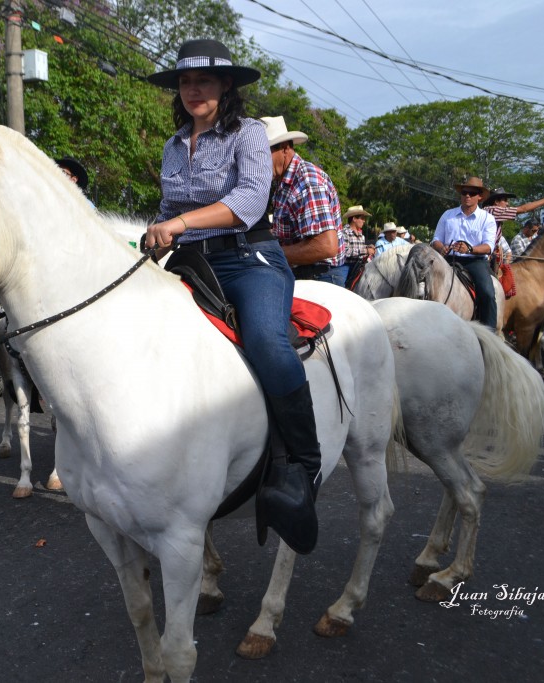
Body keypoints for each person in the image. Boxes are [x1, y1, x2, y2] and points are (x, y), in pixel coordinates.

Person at [144, 39, 321, 552]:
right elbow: (166, 204)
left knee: (267, 341)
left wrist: (176, 223)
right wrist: (157, 230)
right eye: (184, 82)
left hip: (248, 258)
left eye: (204, 81)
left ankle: (302, 464)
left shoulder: (249, 134)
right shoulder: (174, 144)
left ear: (226, 86)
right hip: (189, 261)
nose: (193, 89)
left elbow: (247, 201)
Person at [261, 116, 346, 287]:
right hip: (304, 274)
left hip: (319, 278)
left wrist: (270, 254)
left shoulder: (306, 180)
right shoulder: (283, 184)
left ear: (285, 148)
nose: (257, 161)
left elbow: (326, 246)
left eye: (263, 153)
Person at [430, 176, 498, 329]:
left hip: (475, 261)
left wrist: (470, 249)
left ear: (479, 197)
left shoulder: (487, 218)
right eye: (465, 192)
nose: (467, 196)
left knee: (487, 292)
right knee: (422, 282)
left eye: (472, 193)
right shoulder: (448, 215)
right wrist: (441, 247)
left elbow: (488, 246)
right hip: (448, 258)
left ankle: (490, 332)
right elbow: (436, 239)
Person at [482, 187, 544, 273]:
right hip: (482, 257)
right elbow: (523, 209)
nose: (507, 204)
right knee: (489, 285)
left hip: (485, 256)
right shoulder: (493, 211)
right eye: (505, 200)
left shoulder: (488, 211)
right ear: (496, 202)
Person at [340, 205, 374, 273]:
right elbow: (345, 252)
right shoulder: (344, 232)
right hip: (347, 266)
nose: (364, 221)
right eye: (362, 218)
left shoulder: (361, 235)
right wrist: (366, 251)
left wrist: (368, 247)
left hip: (359, 265)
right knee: (340, 283)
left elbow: (357, 247)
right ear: (354, 219)